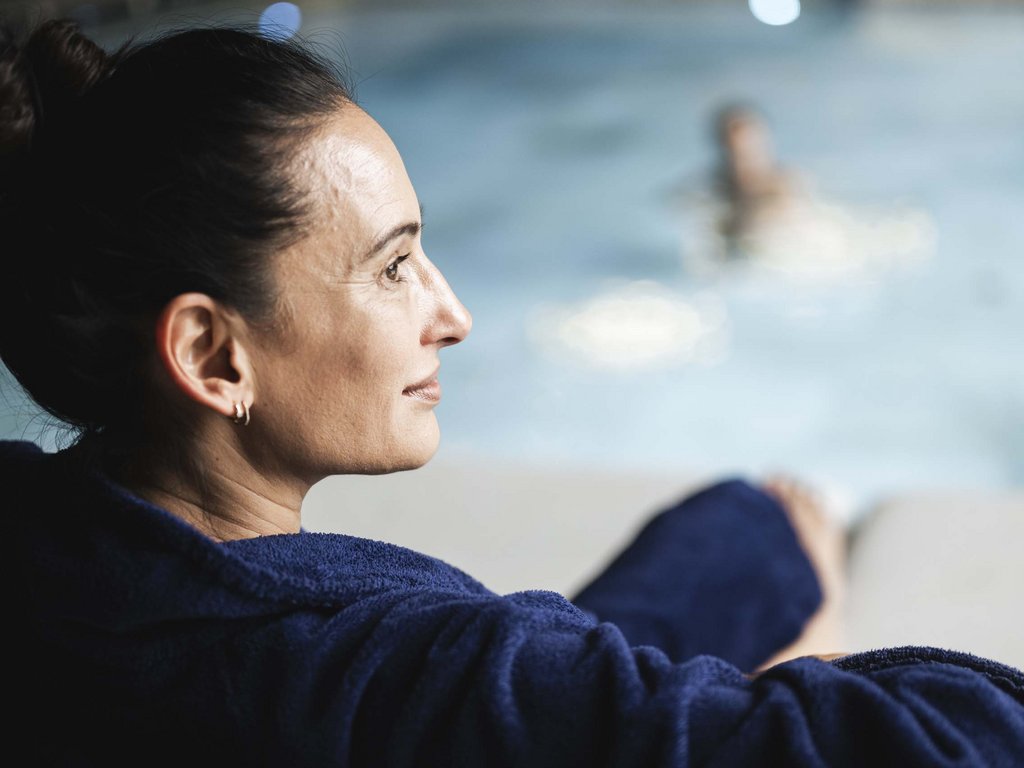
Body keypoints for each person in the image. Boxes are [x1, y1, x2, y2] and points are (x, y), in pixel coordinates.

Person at [1, 19, 1021, 767]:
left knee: (744, 529)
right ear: (214, 355)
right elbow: (957, 742)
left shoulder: (46, 544)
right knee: (776, 560)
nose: (452, 314)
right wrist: (811, 670)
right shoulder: (397, 670)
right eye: (394, 266)